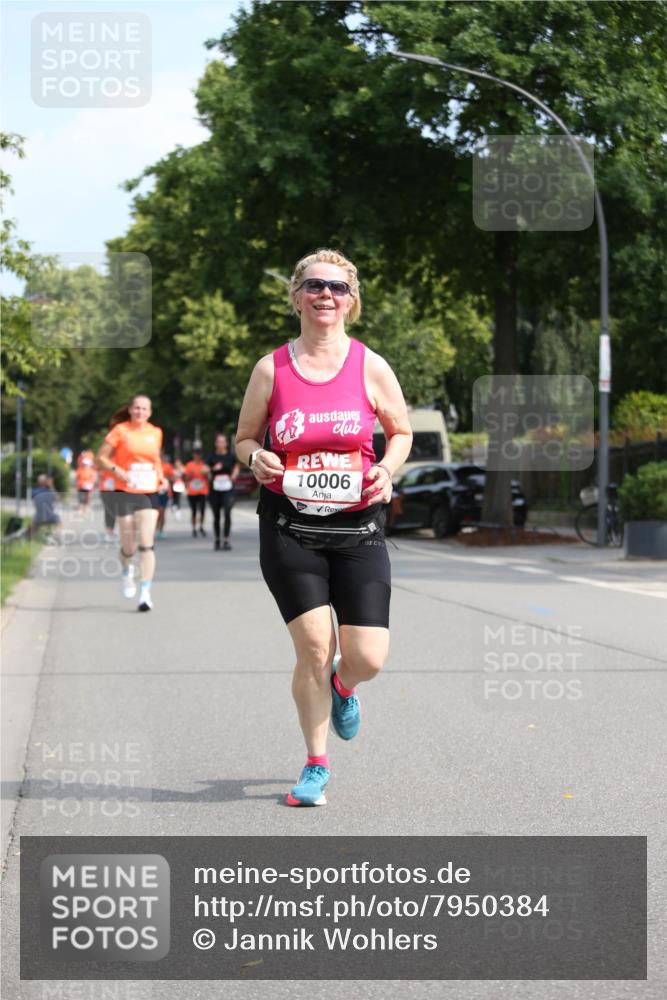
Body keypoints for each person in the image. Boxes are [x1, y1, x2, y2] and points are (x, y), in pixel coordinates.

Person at [235, 248, 412, 807]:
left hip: (359, 528)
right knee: (313, 646)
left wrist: (385, 468)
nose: (326, 296)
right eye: (314, 286)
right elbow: (245, 437)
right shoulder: (271, 369)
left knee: (368, 658)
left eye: (337, 287)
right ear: (296, 297)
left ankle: (345, 685)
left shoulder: (371, 366)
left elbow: (401, 431)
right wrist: (254, 458)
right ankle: (315, 765)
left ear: (351, 300)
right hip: (290, 528)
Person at [97, 395, 166, 612]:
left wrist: (162, 476)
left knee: (147, 543)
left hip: (149, 492)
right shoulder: (120, 431)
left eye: (144, 409)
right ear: (130, 410)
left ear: (150, 412)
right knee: (129, 546)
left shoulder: (156, 432)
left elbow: (155, 460)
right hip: (125, 491)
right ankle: (127, 572)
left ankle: (145, 593)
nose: (140, 412)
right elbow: (101, 458)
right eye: (136, 408)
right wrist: (117, 470)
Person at [207, 433, 240, 550]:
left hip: (228, 488)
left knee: (227, 513)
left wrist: (234, 475)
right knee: (216, 516)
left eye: (223, 442)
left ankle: (226, 539)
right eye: (218, 442)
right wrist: (212, 469)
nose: (221, 444)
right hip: (215, 489)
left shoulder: (230, 456)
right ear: (216, 444)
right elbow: (204, 470)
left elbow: (236, 466)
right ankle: (217, 539)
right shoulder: (211, 456)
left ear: (226, 443)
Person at [183, 448, 209, 538]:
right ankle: (194, 528)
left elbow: (208, 477)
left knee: (202, 510)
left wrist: (206, 473)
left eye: (199, 454)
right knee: (194, 511)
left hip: (202, 491)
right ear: (193, 455)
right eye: (195, 454)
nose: (197, 456)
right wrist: (190, 475)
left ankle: (201, 526)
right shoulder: (189, 465)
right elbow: (185, 479)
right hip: (192, 492)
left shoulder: (204, 465)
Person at [31, 474, 60, 541]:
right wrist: (51, 486)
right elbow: (57, 498)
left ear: (38, 482)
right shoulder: (50, 491)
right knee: (59, 523)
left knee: (33, 523)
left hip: (38, 517)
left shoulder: (34, 492)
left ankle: (30, 539)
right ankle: (53, 537)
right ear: (46, 482)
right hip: (50, 516)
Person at [98, 464, 121, 543]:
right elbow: (100, 474)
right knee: (109, 511)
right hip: (106, 490)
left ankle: (115, 530)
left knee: (118, 510)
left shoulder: (118, 461)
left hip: (117, 489)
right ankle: (109, 532)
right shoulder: (103, 463)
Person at [156, 453, 175, 539]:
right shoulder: (153, 466)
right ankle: (155, 529)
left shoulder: (167, 466)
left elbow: (172, 478)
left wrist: (166, 478)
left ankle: (161, 530)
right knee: (155, 512)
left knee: (162, 511)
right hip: (154, 491)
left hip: (164, 491)